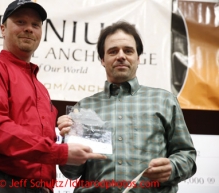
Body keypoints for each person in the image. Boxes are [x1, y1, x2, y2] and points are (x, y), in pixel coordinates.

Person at [0, 1, 106, 193]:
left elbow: (41, 145)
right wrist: (59, 151)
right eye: (20, 22)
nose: (28, 29)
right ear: (3, 29)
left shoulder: (42, 90)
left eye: (35, 25)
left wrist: (65, 134)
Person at [57, 21, 197, 193]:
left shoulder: (164, 100)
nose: (121, 56)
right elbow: (71, 173)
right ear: (102, 59)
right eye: (113, 51)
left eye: (128, 50)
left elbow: (187, 155)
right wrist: (67, 145)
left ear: (138, 58)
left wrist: (173, 167)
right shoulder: (84, 108)